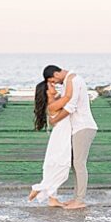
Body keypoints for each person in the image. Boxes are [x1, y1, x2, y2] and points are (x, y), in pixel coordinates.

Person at [43, 64, 98, 210]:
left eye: (53, 81)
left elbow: (70, 106)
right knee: (75, 163)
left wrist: (54, 120)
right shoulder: (71, 79)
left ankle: (79, 201)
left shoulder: (71, 80)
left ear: (56, 74)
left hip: (83, 126)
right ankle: (76, 198)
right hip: (79, 127)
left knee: (79, 163)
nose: (55, 84)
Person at [28, 72, 75, 207]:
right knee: (62, 167)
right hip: (60, 137)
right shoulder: (53, 105)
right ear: (47, 92)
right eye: (51, 85)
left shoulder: (55, 101)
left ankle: (52, 199)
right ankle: (39, 187)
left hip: (60, 136)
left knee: (56, 166)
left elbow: (65, 96)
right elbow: (68, 96)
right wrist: (70, 78)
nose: (54, 85)